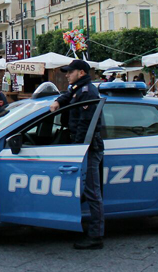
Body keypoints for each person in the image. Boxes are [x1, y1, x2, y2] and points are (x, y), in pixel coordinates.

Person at [49, 59, 104, 250]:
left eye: (70, 72)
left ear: (81, 73)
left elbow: (85, 124)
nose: (66, 74)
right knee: (85, 190)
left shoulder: (88, 92)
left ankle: (96, 235)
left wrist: (76, 149)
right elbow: (67, 95)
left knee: (92, 192)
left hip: (87, 146)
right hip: (82, 145)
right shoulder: (77, 88)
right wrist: (57, 101)